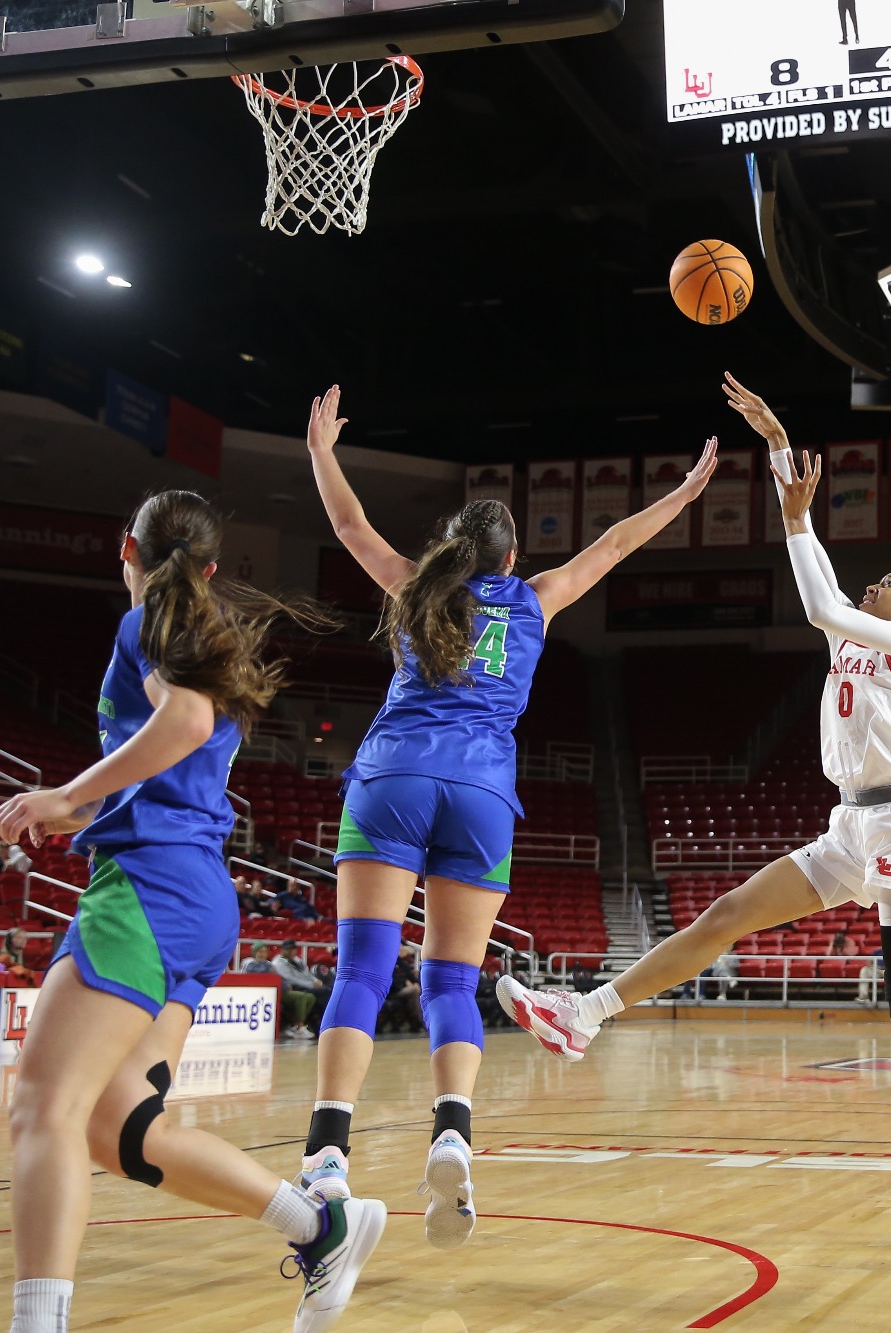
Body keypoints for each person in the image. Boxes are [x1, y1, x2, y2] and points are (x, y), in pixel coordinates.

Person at [499, 373, 891, 1249]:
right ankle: (585, 1013)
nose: (880, 581)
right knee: (726, 914)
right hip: (849, 826)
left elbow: (821, 597)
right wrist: (782, 451)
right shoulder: (855, 635)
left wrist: (797, 516)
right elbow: (817, 579)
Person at [293, 384, 717, 1251]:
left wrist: (321, 451)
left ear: (453, 549)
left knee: (363, 974)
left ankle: (327, 1155)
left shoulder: (414, 587)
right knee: (451, 983)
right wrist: (682, 492)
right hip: (482, 791)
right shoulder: (535, 597)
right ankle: (453, 1132)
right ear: (513, 553)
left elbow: (347, 528)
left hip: (393, 774)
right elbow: (615, 543)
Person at [0, 488, 381, 1333]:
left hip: (151, 891)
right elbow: (179, 763)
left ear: (122, 548)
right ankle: (320, 1227)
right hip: (195, 895)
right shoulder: (200, 635)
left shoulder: (150, 628)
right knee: (116, 1127)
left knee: (42, 1109)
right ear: (210, 568)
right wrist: (84, 810)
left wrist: (68, 790)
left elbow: (187, 720)